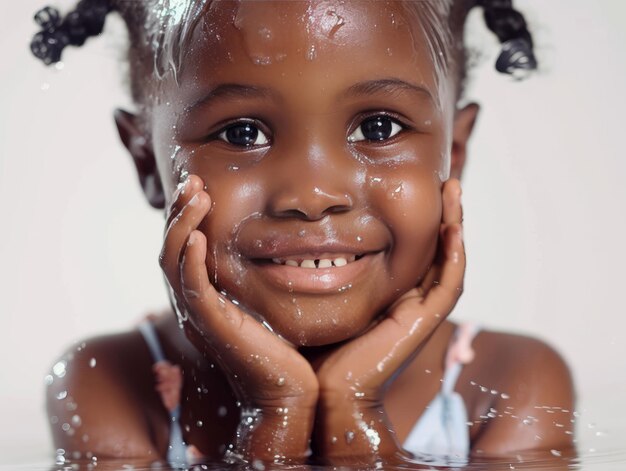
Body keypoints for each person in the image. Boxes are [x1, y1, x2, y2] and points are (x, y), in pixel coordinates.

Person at [32, 0, 575, 468]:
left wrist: (355, 408)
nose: (313, 196)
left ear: (452, 154)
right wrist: (274, 413)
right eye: (242, 134)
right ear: (148, 163)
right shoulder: (108, 387)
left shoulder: (510, 387)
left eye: (378, 127)